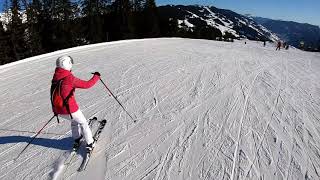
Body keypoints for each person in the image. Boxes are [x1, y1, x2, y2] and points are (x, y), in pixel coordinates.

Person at [50, 55, 100, 152]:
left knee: (74, 121)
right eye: (70, 63)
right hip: (70, 109)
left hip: (59, 110)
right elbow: (87, 84)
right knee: (83, 123)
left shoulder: (56, 77)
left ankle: (77, 139)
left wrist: (55, 110)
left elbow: (52, 93)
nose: (71, 65)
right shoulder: (69, 78)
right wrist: (96, 76)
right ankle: (90, 143)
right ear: (66, 64)